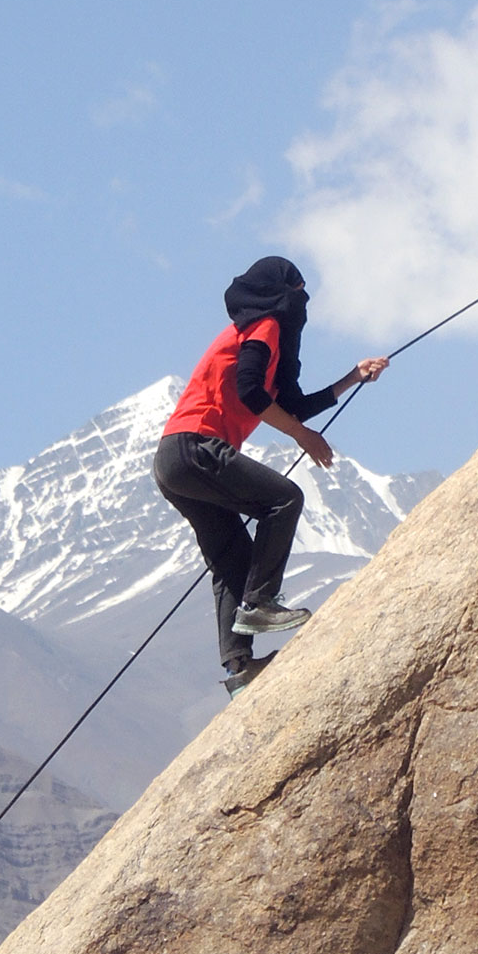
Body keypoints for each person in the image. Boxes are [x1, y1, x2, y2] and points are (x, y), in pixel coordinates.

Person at [152, 256, 389, 695]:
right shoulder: (265, 327)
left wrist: (351, 379)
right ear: (283, 295)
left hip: (172, 460)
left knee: (231, 560)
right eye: (297, 291)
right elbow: (249, 390)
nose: (303, 300)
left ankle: (239, 665)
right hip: (195, 446)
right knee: (284, 500)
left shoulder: (261, 337)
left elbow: (290, 404)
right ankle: (260, 602)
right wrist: (302, 436)